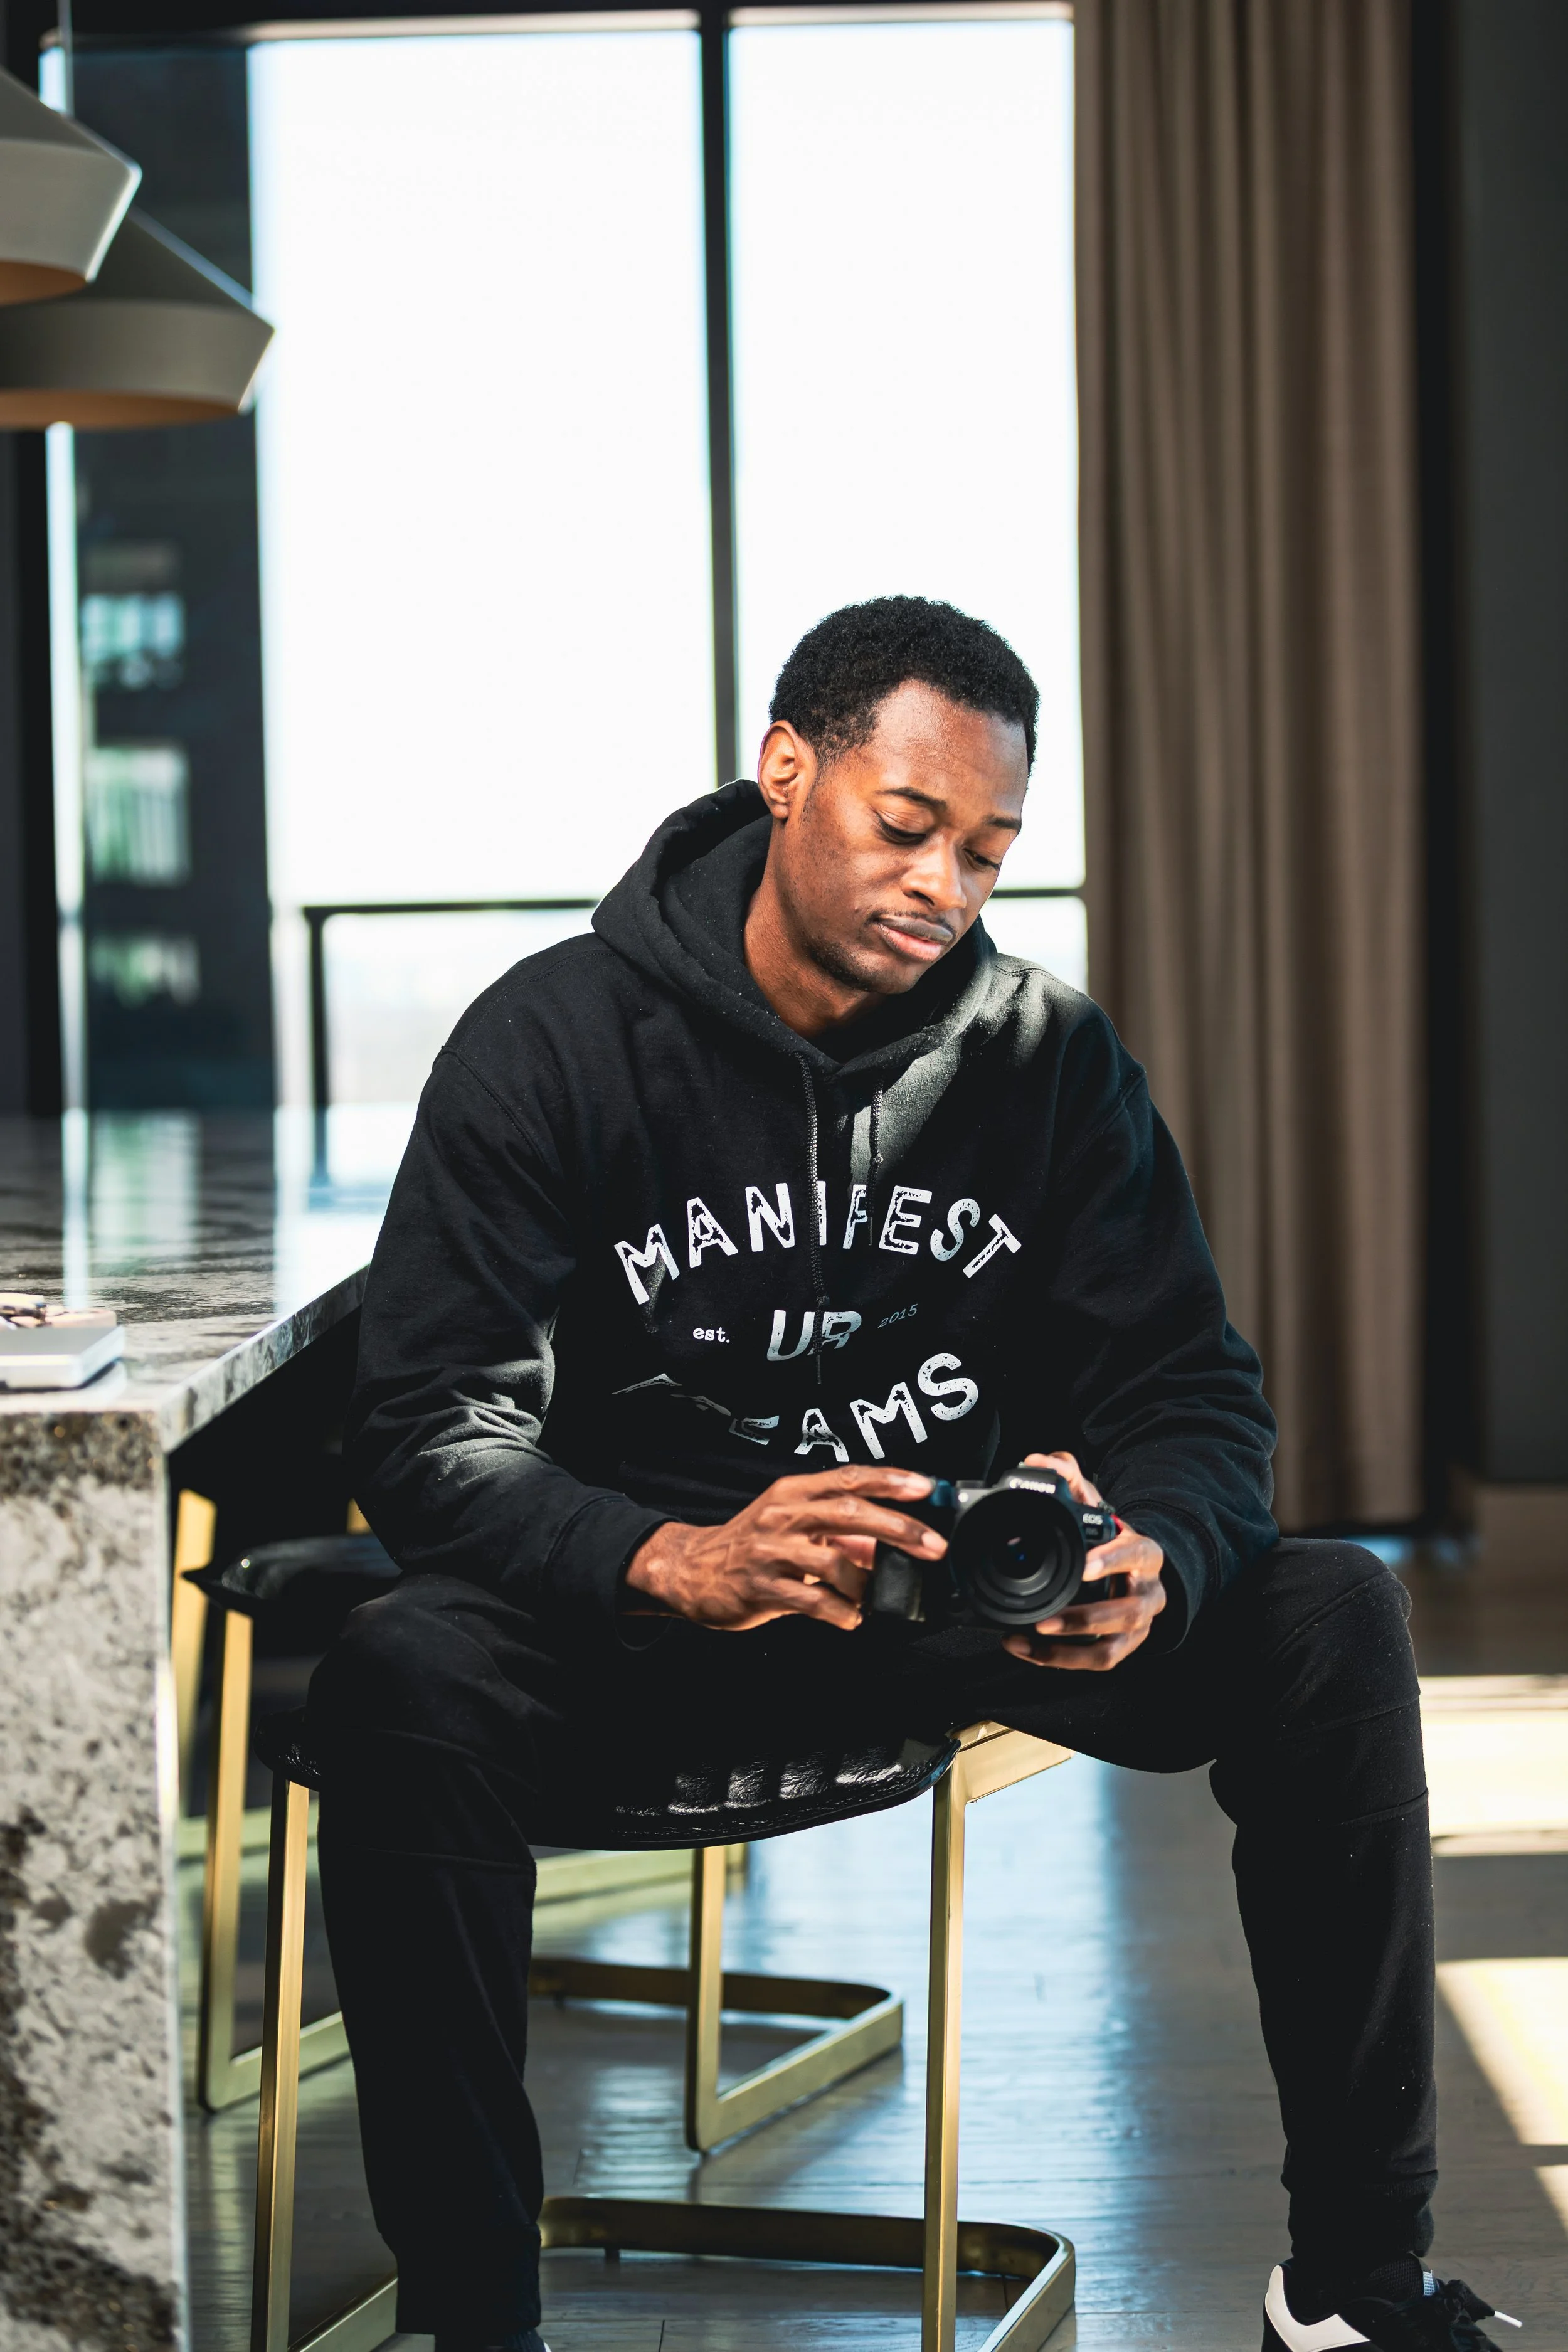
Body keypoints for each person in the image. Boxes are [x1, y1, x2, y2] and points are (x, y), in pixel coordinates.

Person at [311, 596, 1512, 2352]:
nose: (945, 880)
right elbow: (424, 1424)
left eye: (987, 848)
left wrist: (1155, 1552)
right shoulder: (550, 1043)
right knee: (404, 1668)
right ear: (785, 768)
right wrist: (675, 1554)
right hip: (653, 1628)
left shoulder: (1045, 1056)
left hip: (957, 1612)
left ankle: (1348, 2287)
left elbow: (1192, 1389)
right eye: (906, 824)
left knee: (1330, 1609)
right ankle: (473, 2318)